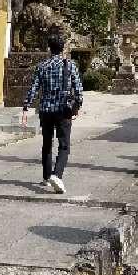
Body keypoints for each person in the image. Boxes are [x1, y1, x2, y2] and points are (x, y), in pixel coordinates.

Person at [22, 33, 83, 194]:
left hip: (46, 110)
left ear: (49, 48)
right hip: (63, 110)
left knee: (47, 144)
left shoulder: (42, 66)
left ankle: (46, 176)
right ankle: (57, 175)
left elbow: (34, 88)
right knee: (64, 145)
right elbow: (78, 90)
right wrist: (77, 107)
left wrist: (26, 107)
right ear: (63, 48)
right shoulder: (70, 65)